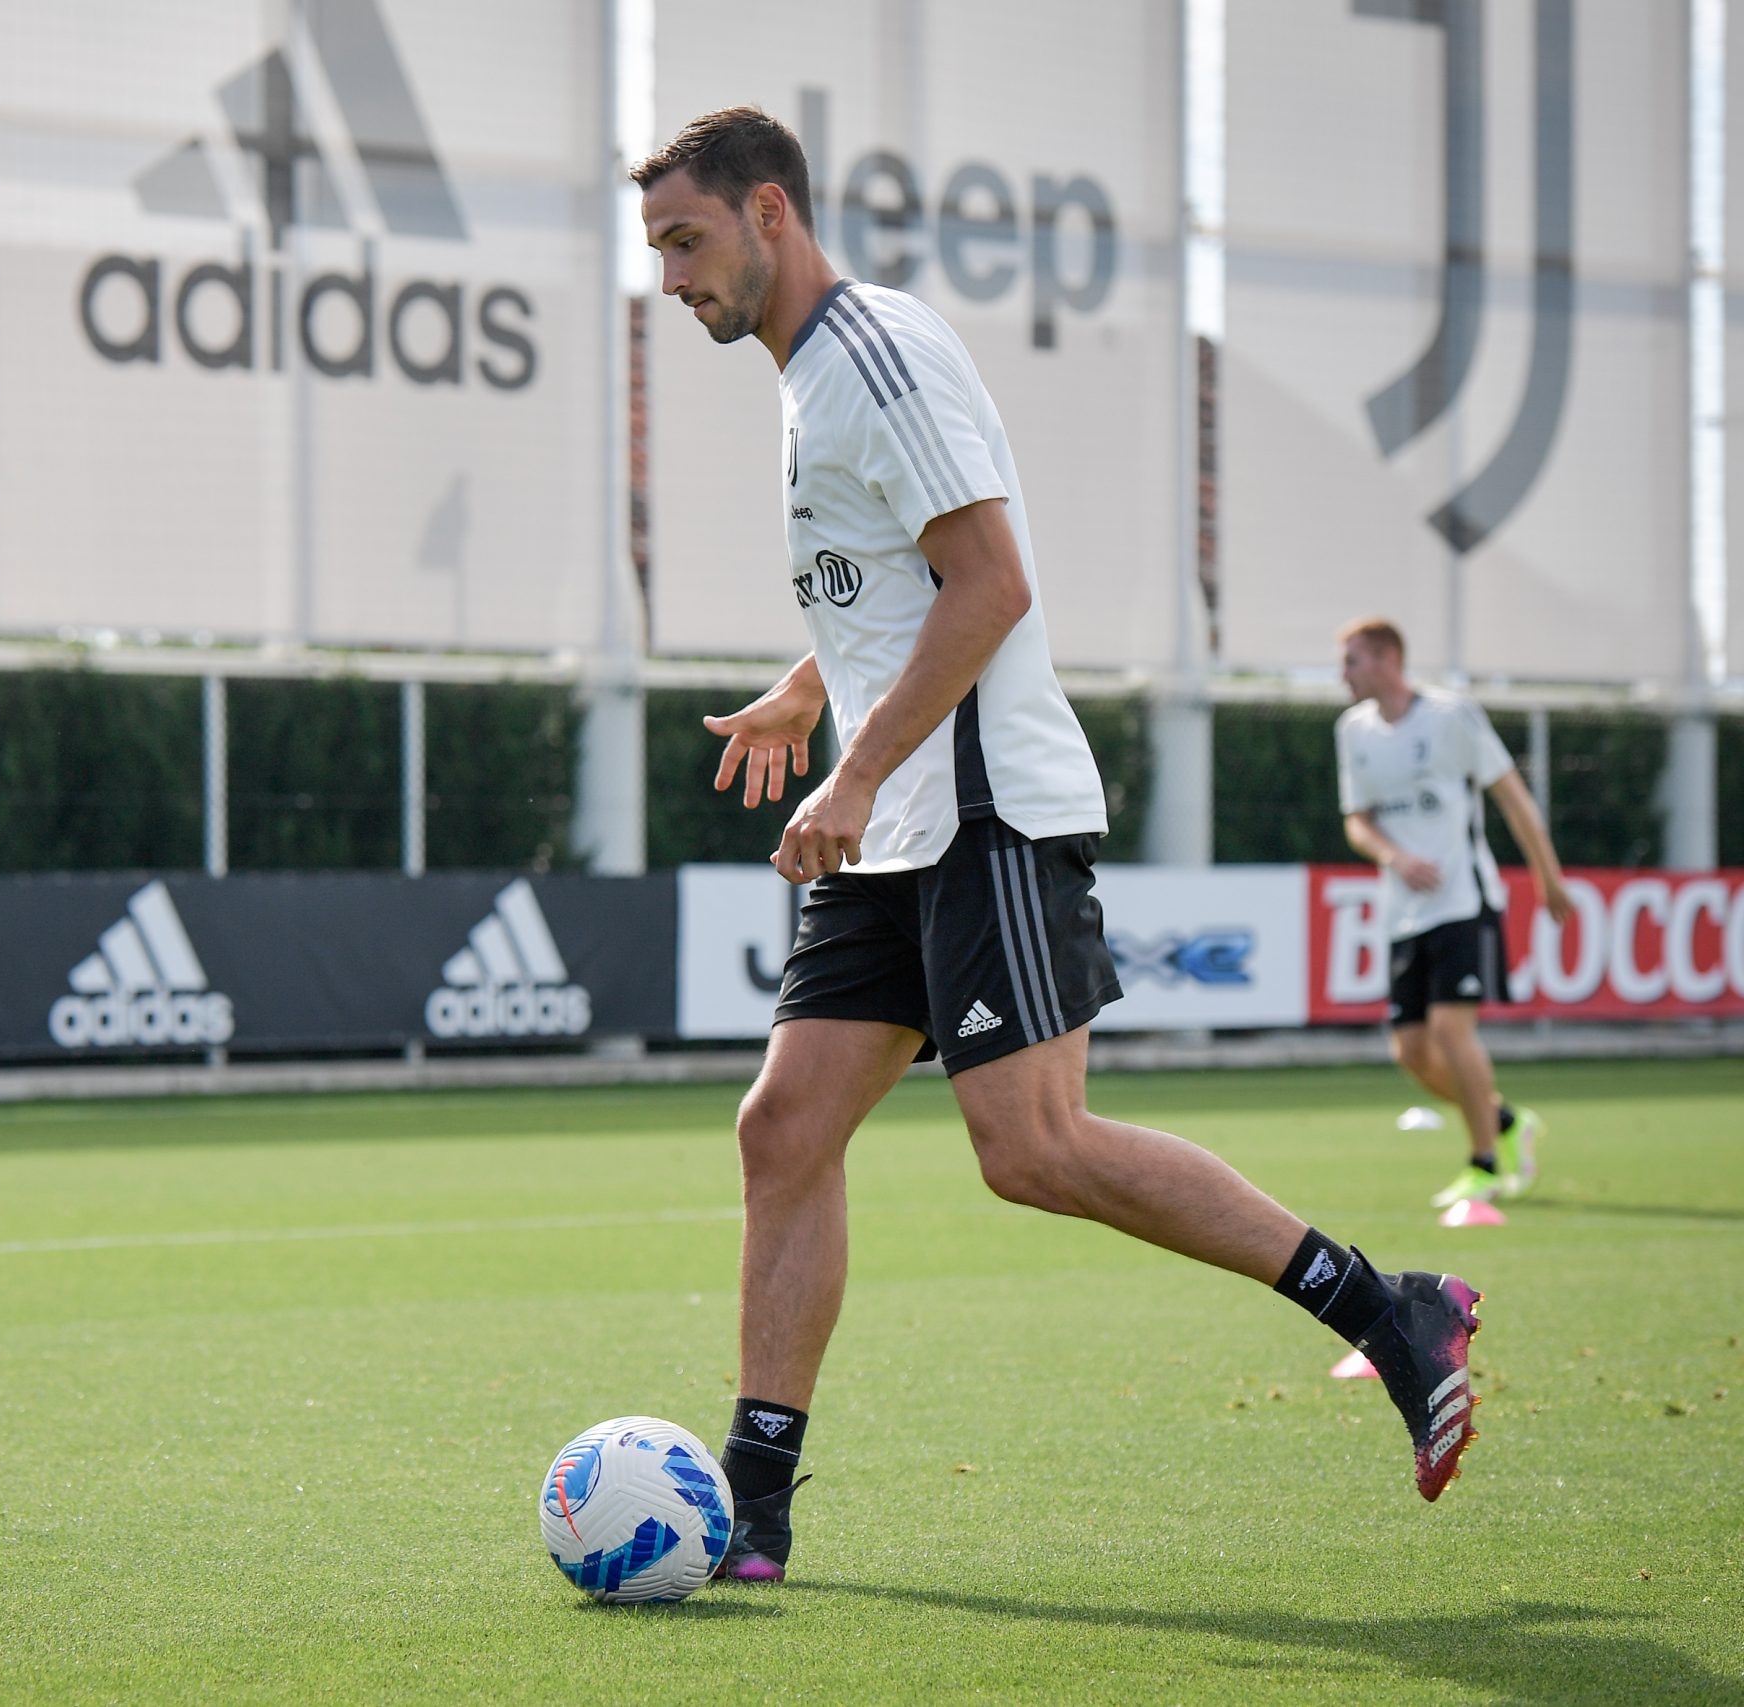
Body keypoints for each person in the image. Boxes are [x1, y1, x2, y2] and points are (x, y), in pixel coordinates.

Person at [631, 107, 1486, 1580]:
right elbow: (898, 585)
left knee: (1032, 1148)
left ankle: (1386, 1308)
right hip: (897, 823)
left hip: (983, 813)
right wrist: (811, 687)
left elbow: (990, 585)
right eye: (656, 250)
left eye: (685, 240)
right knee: (783, 1129)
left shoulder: (873, 353)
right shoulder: (809, 375)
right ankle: (753, 1503)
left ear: (771, 211)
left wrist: (851, 776)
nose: (669, 277)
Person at [1335, 617, 1573, 1208]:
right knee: (1412, 1053)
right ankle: (1508, 1122)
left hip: (1463, 900)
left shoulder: (1451, 716)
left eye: (1352, 661)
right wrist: (1395, 857)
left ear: (1388, 659)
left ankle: (1484, 1162)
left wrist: (1548, 877)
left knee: (1449, 1031)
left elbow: (1512, 796)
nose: (1343, 673)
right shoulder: (1353, 729)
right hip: (1403, 912)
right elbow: (1357, 821)